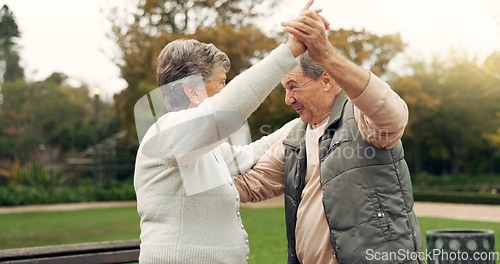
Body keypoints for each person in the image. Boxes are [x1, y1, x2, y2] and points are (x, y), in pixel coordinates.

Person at [133, 3, 330, 262]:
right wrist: (291, 50)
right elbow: (228, 110)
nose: (226, 89)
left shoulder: (200, 147)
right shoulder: (166, 133)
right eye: (221, 83)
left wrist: (307, 118)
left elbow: (248, 155)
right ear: (192, 91)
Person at [233, 5, 425, 264]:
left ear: (325, 80)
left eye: (293, 86)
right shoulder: (295, 136)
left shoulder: (360, 117)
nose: (288, 99)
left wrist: (325, 53)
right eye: (284, 89)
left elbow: (393, 115)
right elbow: (250, 185)